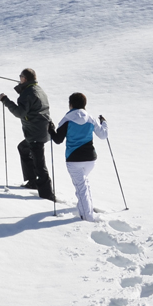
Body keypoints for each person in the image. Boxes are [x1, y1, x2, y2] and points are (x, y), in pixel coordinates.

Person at [49, 92, 108, 221]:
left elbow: (58, 140)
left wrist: (51, 129)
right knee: (83, 184)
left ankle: (87, 217)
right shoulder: (91, 118)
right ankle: (86, 208)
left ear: (70, 104)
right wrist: (104, 123)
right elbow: (103, 136)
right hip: (90, 159)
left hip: (74, 159)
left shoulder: (67, 119)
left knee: (81, 188)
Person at [0, 68, 55, 201]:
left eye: (20, 77)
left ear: (24, 78)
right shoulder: (38, 89)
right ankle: (32, 181)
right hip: (42, 129)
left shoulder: (28, 94)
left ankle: (47, 195)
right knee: (23, 148)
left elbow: (20, 113)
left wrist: (5, 100)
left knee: (39, 163)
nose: (19, 78)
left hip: (35, 133)